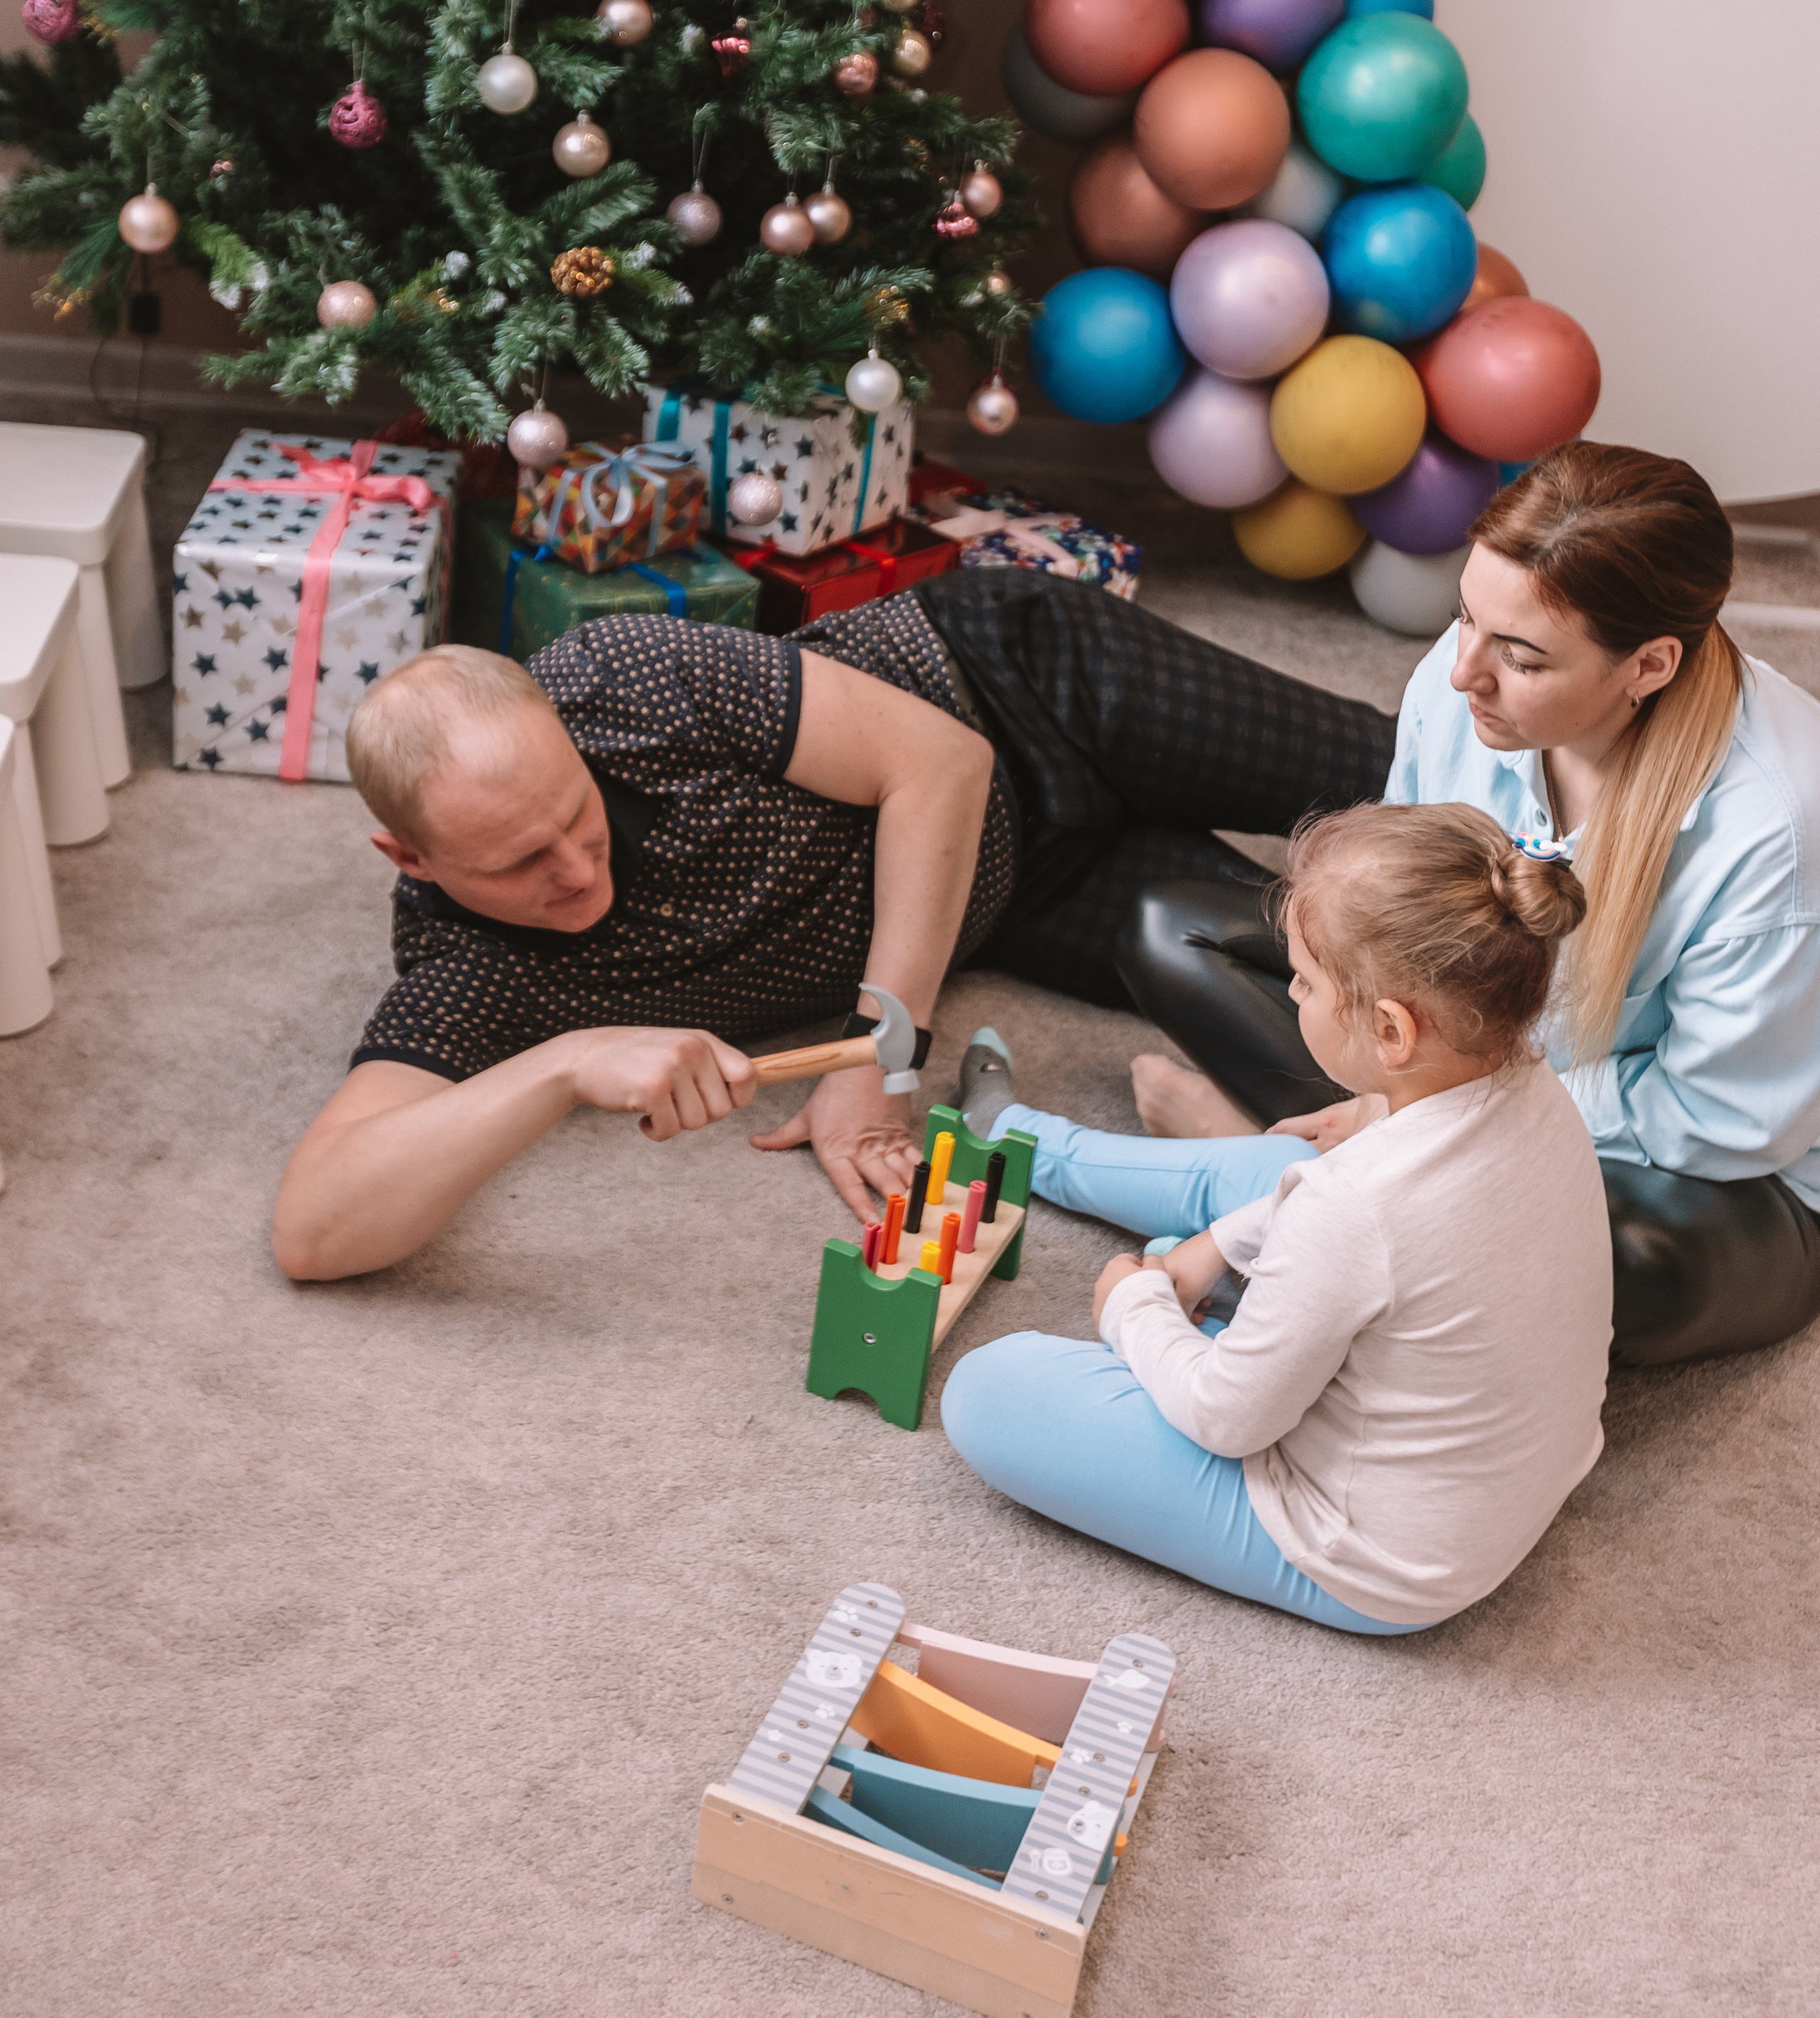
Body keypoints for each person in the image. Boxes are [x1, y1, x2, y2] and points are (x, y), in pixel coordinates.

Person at [271, 570, 1393, 1281]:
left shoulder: (625, 675)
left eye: (575, 813)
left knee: (1409, 791)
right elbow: (314, 1231)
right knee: (1362, 989)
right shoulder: (470, 971)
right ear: (409, 858)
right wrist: (561, 1066)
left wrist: (882, 1051)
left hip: (1020, 687)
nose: (575, 869)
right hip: (1016, 898)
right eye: (518, 862)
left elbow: (939, 762)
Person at [1117, 444, 1820, 1368]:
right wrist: (1409, 1097)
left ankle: (1273, 1177)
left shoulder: (1778, 832)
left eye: (1520, 657)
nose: (1462, 675)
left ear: (1647, 665)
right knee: (1171, 932)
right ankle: (1331, 1203)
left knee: (1643, 1265)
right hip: (1458, 1058)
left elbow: (1717, 1119)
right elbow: (1395, 919)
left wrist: (1424, 1114)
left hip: (1702, 1168)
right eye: (1465, 618)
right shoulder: (1460, 689)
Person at [941, 802, 1612, 1631]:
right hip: (1502, 1476)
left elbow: (1228, 1419)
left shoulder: (1353, 1207)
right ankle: (1020, 1143)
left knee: (986, 1390)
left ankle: (1024, 1151)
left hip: (1377, 1561)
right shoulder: (1534, 1084)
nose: (1292, 991)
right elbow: (1380, 1220)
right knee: (1279, 1171)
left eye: (1302, 981)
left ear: (1392, 1031)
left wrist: (1132, 1305)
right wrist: (1218, 1243)